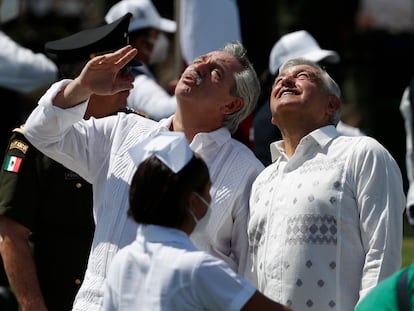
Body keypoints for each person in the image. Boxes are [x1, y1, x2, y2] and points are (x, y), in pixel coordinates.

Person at [23, 38, 264, 310]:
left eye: (215, 72)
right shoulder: (122, 131)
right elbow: (39, 133)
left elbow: (250, 271)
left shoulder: (246, 172)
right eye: (202, 58)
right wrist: (81, 87)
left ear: (231, 106)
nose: (200, 65)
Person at [0, 13, 141, 311]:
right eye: (119, 76)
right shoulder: (33, 142)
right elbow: (11, 233)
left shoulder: (138, 131)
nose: (130, 86)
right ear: (87, 79)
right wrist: (33, 306)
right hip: (57, 298)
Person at [248, 58, 406, 311]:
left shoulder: (361, 153)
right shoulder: (263, 181)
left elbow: (382, 251)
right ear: (273, 116)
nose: (286, 80)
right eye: (278, 81)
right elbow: (253, 272)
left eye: (303, 76)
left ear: (331, 105)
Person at [102, 131, 292, 311]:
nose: (209, 199)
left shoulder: (122, 261)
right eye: (207, 191)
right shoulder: (197, 268)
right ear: (193, 202)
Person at [253, 30, 364, 166]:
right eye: (304, 73)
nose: (322, 74)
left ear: (332, 104)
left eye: (320, 66)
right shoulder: (266, 123)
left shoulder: (361, 148)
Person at [104, 0, 177, 121]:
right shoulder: (135, 82)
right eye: (157, 33)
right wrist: (189, 91)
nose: (163, 39)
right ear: (142, 42)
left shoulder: (117, 75)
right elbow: (165, 112)